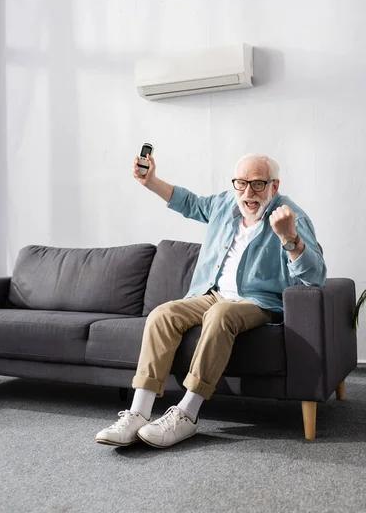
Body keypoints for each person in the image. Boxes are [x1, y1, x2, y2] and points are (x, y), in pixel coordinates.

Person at [95, 153, 326, 448]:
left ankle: (187, 415)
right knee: (162, 314)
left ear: (274, 185)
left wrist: (290, 238)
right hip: (212, 293)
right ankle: (139, 412)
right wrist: (150, 181)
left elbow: (316, 276)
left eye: (257, 184)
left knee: (220, 315)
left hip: (258, 301)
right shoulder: (225, 205)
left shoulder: (291, 216)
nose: (248, 193)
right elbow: (189, 203)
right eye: (241, 184)